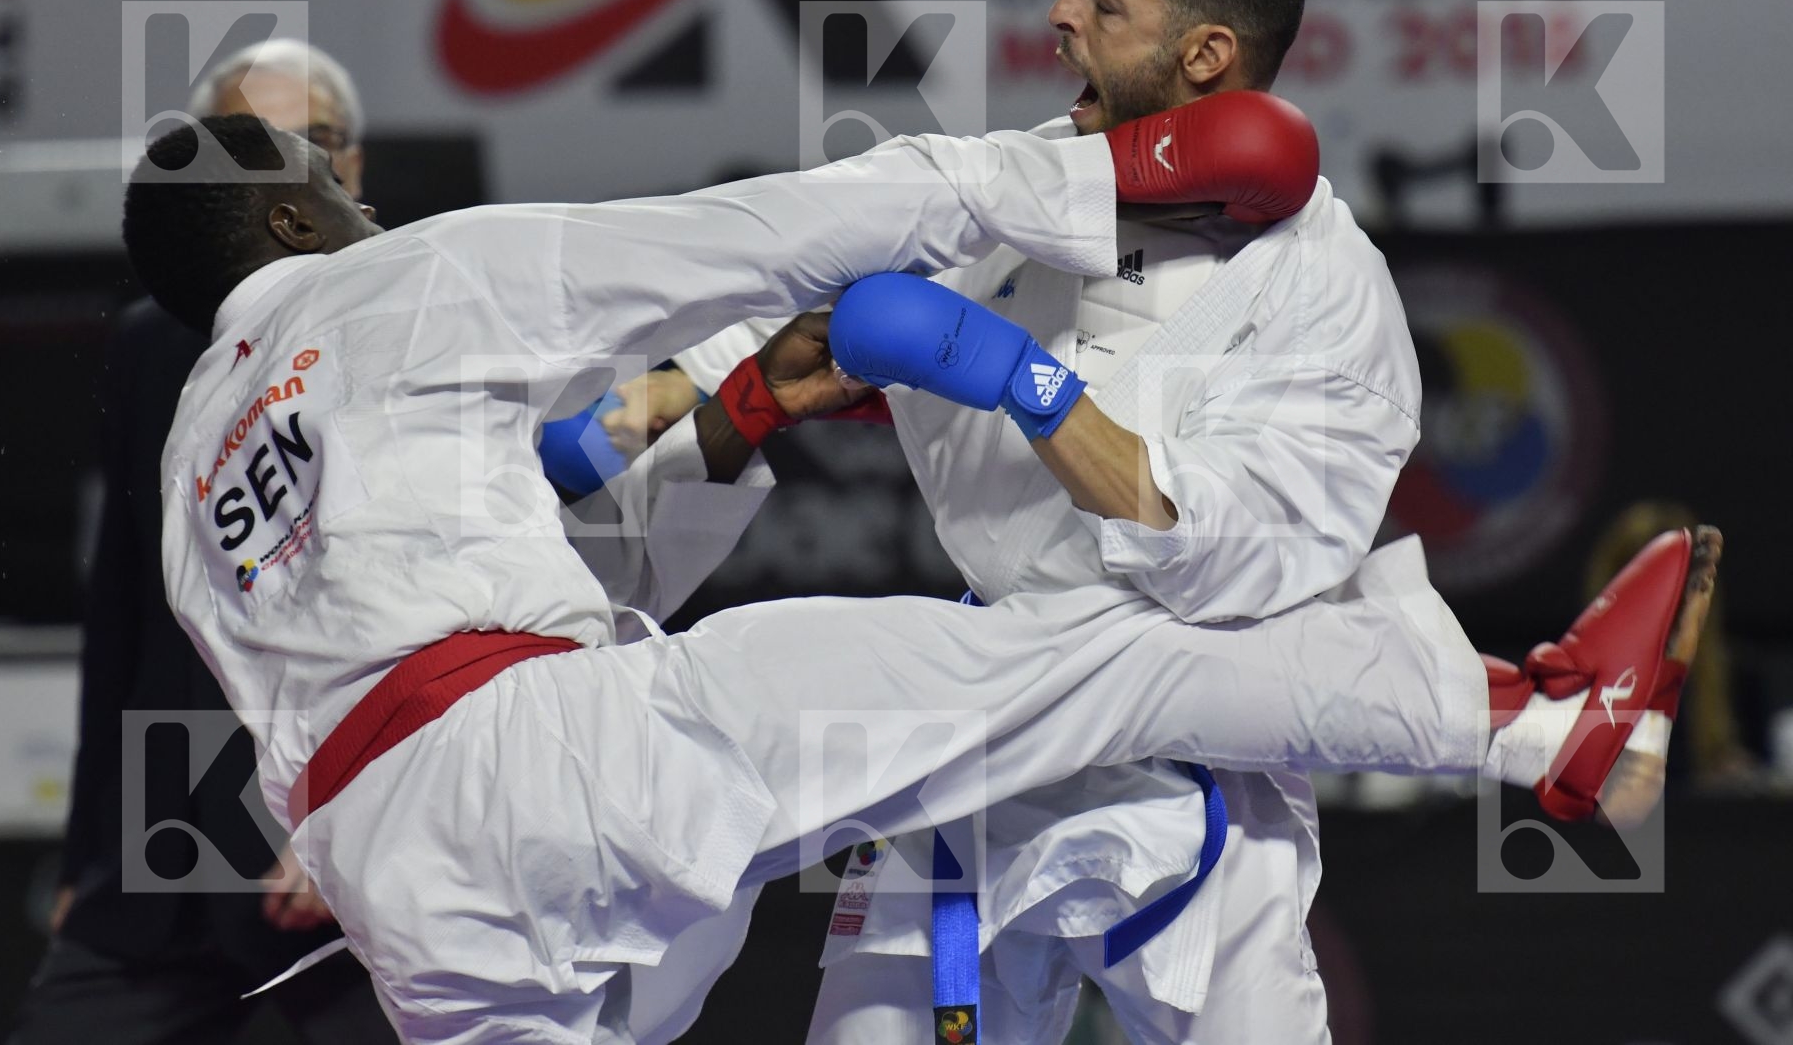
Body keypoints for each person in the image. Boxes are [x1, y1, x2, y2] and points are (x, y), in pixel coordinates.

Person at [635, 0, 1722, 1043]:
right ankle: (1542, 718)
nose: (1060, 14)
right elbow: (794, 310)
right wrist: (662, 397)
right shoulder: (1026, 181)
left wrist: (1018, 379)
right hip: (979, 735)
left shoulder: (1326, 297)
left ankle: (1546, 720)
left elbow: (1218, 569)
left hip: (1198, 779)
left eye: (1104, 2)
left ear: (1206, 54)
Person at [126, 102, 1419, 1043]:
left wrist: (742, 404)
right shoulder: (396, 281)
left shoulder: (191, 467)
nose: (370, 208)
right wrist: (1096, 172)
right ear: (292, 217)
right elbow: (751, 237)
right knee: (1062, 656)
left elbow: (538, 592)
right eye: (336, 188)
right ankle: (1484, 707)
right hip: (555, 760)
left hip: (402, 889)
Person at [7, 41, 396, 1045]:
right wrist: (90, 854)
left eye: (314, 143)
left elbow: (417, 615)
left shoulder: (409, 331)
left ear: (352, 164)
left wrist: (344, 822)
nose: (289, 176)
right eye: (252, 148)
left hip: (333, 865)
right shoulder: (148, 343)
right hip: (156, 863)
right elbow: (123, 613)